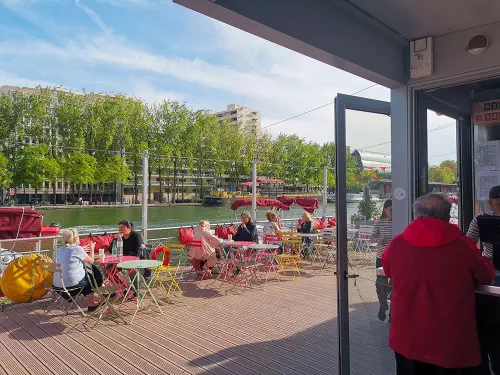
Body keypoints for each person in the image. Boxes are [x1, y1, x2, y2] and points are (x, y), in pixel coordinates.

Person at [383, 193, 494, 374]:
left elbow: (388, 270)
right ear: (447, 216)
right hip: (450, 341)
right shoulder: (461, 246)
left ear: (416, 215)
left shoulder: (397, 243)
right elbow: (485, 275)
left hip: (407, 339)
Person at [467, 185, 500, 374]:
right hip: (490, 273)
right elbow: (468, 243)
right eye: (497, 204)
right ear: (490, 203)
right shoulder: (481, 220)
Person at [54, 228, 102, 312]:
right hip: (71, 287)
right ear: (75, 238)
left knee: (88, 275)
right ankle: (92, 304)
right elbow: (91, 261)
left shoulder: (60, 249)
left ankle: (99, 297)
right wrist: (92, 248)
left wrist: (81, 250)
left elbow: (70, 253)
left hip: (58, 286)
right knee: (92, 275)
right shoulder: (77, 249)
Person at [370, 199, 393, 322]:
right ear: (385, 209)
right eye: (391, 210)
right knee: (381, 284)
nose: (393, 212)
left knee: (394, 285)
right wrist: (379, 239)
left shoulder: (399, 222)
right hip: (381, 257)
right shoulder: (379, 222)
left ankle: (393, 313)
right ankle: (383, 305)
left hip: (396, 258)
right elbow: (371, 238)